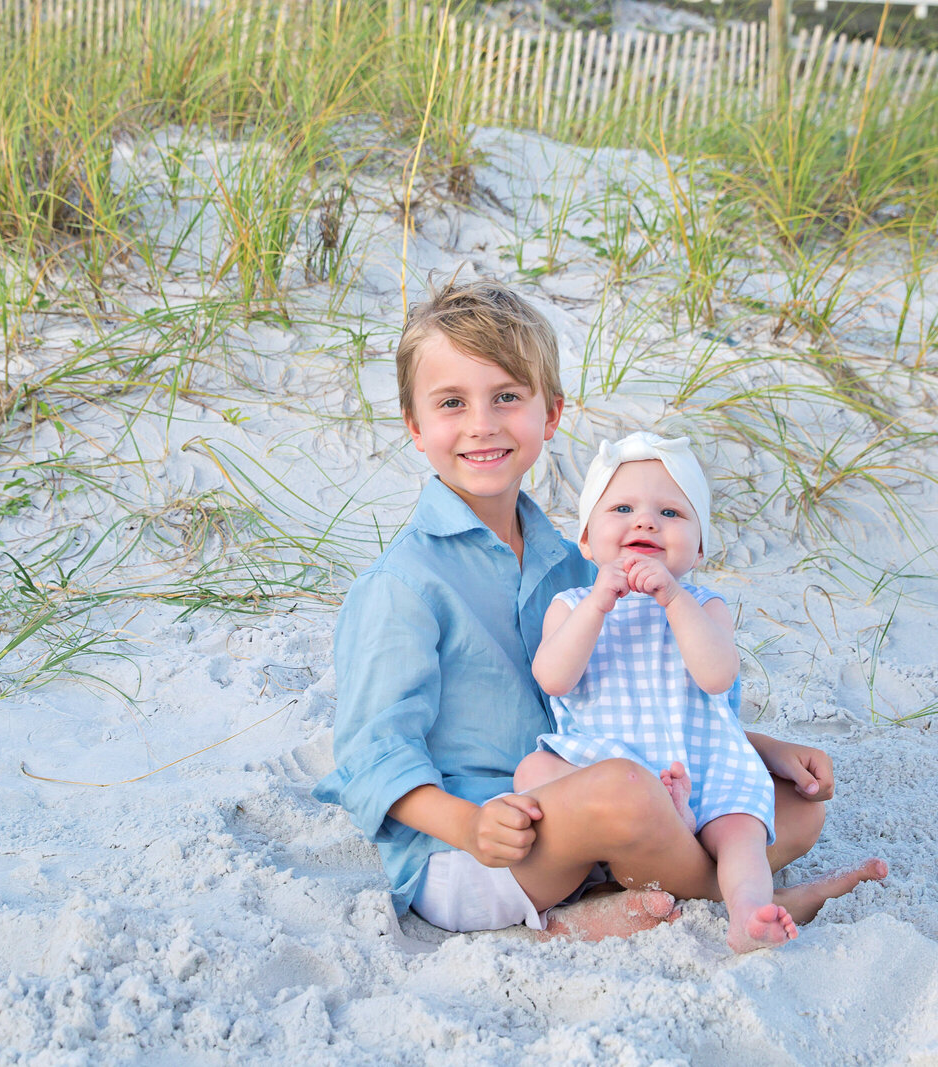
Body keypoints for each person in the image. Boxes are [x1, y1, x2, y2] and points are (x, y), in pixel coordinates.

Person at [312, 277, 886, 940]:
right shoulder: (403, 583)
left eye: (507, 396)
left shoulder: (571, 560)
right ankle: (739, 893)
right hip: (477, 850)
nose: (482, 423)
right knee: (625, 790)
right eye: (451, 403)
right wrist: (470, 823)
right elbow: (372, 753)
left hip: (592, 802)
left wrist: (758, 745)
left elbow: (628, 691)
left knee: (798, 807)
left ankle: (618, 891)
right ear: (415, 426)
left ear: (549, 414)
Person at [517, 432, 817, 952]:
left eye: (672, 513)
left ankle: (749, 913)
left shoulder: (706, 606)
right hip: (608, 770)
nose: (645, 521)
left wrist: (674, 599)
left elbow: (717, 676)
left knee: (742, 832)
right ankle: (654, 839)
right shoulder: (570, 604)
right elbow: (554, 678)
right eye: (623, 507)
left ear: (699, 547)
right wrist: (597, 605)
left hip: (701, 767)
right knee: (533, 772)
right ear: (586, 541)